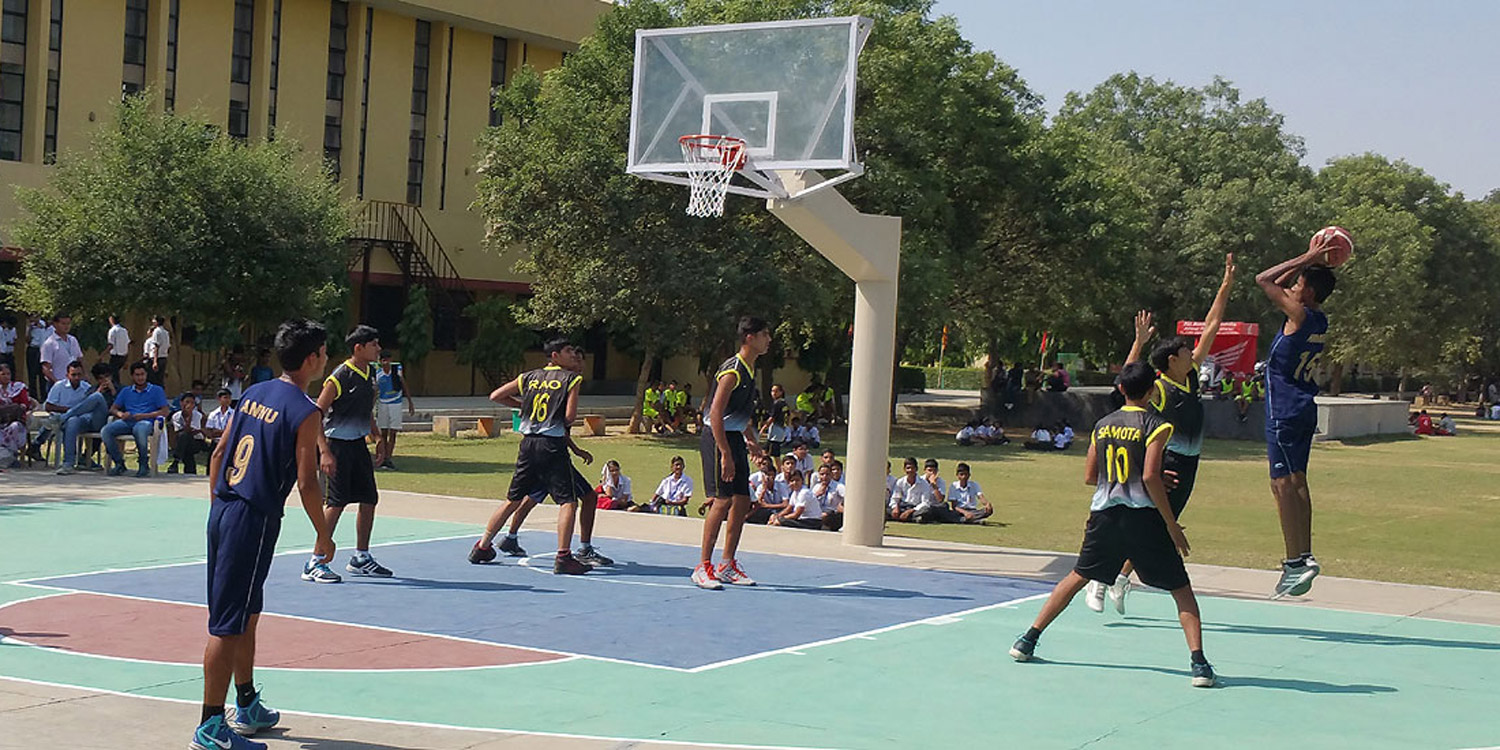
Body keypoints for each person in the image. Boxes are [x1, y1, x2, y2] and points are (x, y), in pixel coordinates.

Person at [1009, 361, 1214, 687]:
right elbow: (1150, 476)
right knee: (1181, 591)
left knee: (1077, 576)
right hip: (1143, 518)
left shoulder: (1102, 425)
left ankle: (1028, 639)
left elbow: (1090, 476)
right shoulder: (1157, 426)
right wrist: (1171, 523)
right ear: (1151, 391)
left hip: (1104, 516)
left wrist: (1128, 476)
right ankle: (1199, 664)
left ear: (1121, 389)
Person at [190, 319, 334, 750]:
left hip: (225, 509)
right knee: (227, 625)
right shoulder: (305, 410)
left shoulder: (254, 392)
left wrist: (218, 504)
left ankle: (247, 701)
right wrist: (323, 535)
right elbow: (307, 482)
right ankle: (210, 727)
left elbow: (220, 452)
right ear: (312, 359)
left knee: (248, 612)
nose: (327, 357)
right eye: (325, 351)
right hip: (253, 518)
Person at [1098, 254, 1235, 614]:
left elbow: (1212, 324)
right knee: (1154, 525)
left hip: (1190, 463)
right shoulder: (1158, 387)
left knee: (1157, 527)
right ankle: (1105, 573)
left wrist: (1225, 286)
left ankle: (1118, 576)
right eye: (1187, 350)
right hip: (1167, 462)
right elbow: (1128, 376)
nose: (1194, 352)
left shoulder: (1189, 377)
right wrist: (1140, 341)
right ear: (1172, 359)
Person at [1256, 237, 1339, 599]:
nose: (1290, 286)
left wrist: (1308, 256)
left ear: (1308, 293)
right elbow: (1278, 284)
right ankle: (1302, 556)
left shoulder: (1301, 316)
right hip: (1303, 406)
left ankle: (1296, 561)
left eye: (1298, 283)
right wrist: (1307, 267)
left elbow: (1264, 279)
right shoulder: (1318, 319)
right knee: (1296, 481)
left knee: (1282, 484)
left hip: (1285, 409)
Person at [467, 338, 592, 575]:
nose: (573, 355)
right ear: (555, 356)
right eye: (568, 351)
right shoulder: (571, 379)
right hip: (551, 444)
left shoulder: (528, 377)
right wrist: (554, 415)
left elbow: (496, 396)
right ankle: (564, 556)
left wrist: (523, 406)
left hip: (527, 444)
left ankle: (482, 546)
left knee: (512, 499)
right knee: (568, 502)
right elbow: (569, 417)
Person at [303, 325, 391, 584]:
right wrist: (324, 451)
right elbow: (315, 415)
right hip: (336, 446)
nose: (378, 349)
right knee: (336, 503)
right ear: (358, 348)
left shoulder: (371, 373)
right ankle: (315, 561)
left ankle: (361, 557)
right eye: (374, 345)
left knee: (369, 498)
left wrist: (377, 437)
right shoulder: (339, 377)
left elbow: (364, 410)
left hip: (357, 445)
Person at [693, 316, 772, 590]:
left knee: (742, 500)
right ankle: (703, 566)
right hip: (717, 439)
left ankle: (726, 564)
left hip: (735, 437)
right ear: (750, 337)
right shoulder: (732, 370)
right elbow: (715, 413)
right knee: (721, 500)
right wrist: (725, 453)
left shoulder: (750, 369)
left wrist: (750, 439)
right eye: (765, 334)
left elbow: (736, 413)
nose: (769, 339)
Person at [102, 362, 171, 477]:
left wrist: (145, 416)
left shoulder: (156, 390)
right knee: (106, 431)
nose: (140, 378)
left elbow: (165, 411)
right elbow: (113, 409)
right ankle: (119, 463)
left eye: (142, 374)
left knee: (140, 429)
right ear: (132, 376)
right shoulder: (126, 391)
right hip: (128, 421)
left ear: (146, 375)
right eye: (137, 375)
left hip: (146, 422)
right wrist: (121, 414)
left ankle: (143, 464)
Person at [32, 360, 94, 466]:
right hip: (60, 417)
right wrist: (68, 410)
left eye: (79, 375)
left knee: (73, 422)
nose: (76, 378)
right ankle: (38, 445)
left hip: (78, 420)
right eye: (73, 375)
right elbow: (48, 406)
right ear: (67, 375)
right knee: (58, 421)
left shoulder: (86, 387)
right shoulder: (59, 386)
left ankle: (82, 457)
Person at [373, 351, 413, 470]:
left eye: (387, 359)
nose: (385, 362)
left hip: (396, 403)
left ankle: (389, 458)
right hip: (383, 404)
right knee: (383, 432)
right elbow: (376, 390)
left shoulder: (396, 370)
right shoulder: (378, 373)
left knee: (393, 432)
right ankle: (383, 457)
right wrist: (371, 405)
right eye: (383, 360)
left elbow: (403, 384)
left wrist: (410, 402)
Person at [38, 312, 83, 390]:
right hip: (58, 383)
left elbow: (80, 359)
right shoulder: (49, 343)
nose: (66, 326)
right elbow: (46, 368)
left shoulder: (73, 340)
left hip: (75, 382)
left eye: (68, 324)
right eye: (63, 324)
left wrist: (85, 376)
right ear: (55, 324)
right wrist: (57, 383)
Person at [168, 392, 209, 475]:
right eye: (187, 402)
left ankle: (176, 462)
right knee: (184, 439)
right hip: (183, 442)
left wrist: (189, 416)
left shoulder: (197, 415)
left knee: (184, 436)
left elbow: (191, 431)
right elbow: (179, 431)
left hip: (197, 441)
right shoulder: (176, 416)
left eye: (192, 403)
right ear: (181, 403)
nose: (189, 405)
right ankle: (190, 470)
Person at [888, 457, 935, 522]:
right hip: (903, 507)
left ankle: (907, 517)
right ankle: (912, 518)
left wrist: (910, 511)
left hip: (915, 508)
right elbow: (895, 498)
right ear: (904, 469)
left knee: (926, 510)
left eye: (912, 468)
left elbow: (925, 502)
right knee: (887, 510)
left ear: (916, 469)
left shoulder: (924, 483)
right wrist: (895, 508)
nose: (910, 470)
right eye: (908, 468)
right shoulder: (900, 482)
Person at [0, 363, 30, 466]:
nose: (6, 376)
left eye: (8, 374)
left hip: (16, 420)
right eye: (3, 374)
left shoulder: (18, 387)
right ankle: (6, 456)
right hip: (1, 420)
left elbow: (25, 404)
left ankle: (12, 454)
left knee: (15, 427)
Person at [760, 383, 791, 459]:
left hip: (776, 429)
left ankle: (778, 466)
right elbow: (789, 416)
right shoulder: (784, 403)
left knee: (775, 453)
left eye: (776, 391)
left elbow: (772, 418)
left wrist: (764, 428)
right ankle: (766, 463)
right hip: (781, 429)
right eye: (772, 391)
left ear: (781, 392)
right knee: (765, 449)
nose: (774, 393)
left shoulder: (778, 403)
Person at [25, 315, 51, 398]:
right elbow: (27, 340)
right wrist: (30, 328)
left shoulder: (45, 325)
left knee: (42, 374)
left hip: (43, 350)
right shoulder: (31, 326)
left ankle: (43, 396)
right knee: (32, 374)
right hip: (33, 349)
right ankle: (33, 396)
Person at [145, 315, 171, 388]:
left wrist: (155, 361)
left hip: (157, 358)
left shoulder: (157, 331)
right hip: (163, 357)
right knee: (160, 380)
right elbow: (168, 347)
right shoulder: (166, 332)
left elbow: (156, 346)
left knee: (152, 379)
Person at [106, 313, 131, 384]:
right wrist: (127, 360)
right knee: (116, 375)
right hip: (123, 356)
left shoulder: (112, 330)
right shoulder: (124, 330)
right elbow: (128, 344)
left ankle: (116, 389)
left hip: (115, 356)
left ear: (112, 320)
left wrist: (101, 356)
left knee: (113, 376)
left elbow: (111, 345)